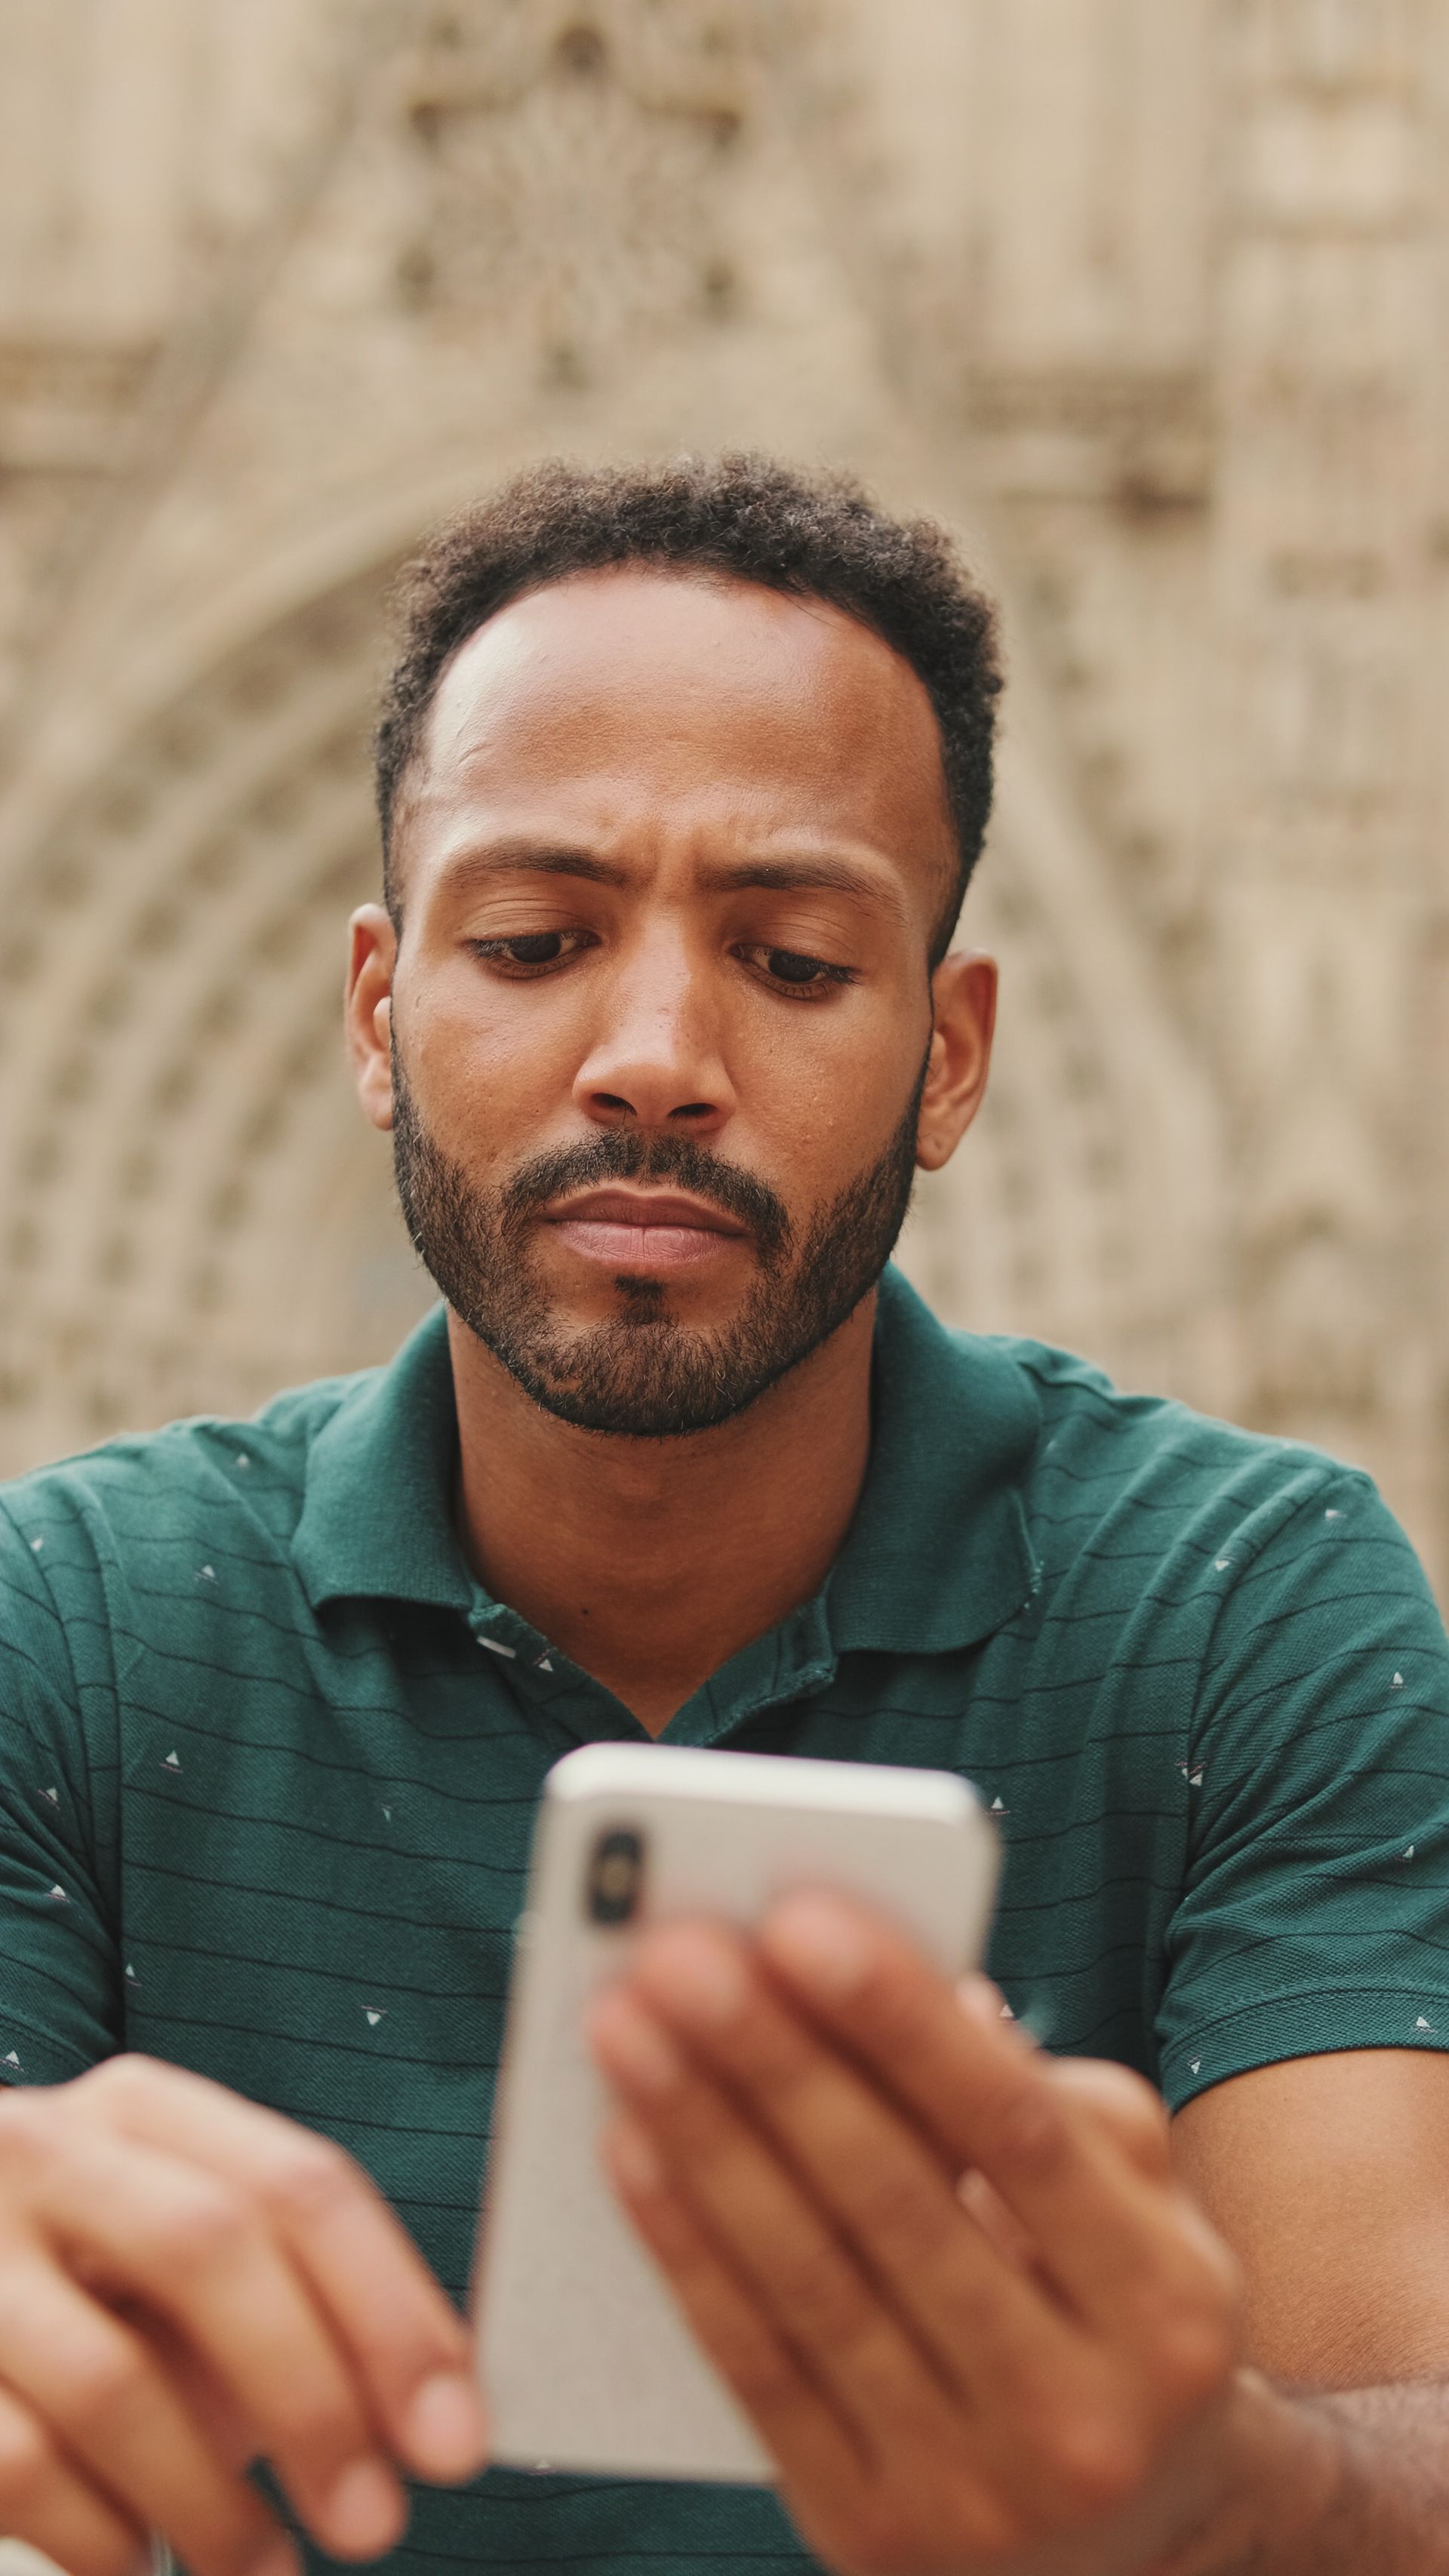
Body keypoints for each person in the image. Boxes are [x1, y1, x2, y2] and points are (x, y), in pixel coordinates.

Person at [1, 454, 1447, 2576]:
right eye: (532, 939)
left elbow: (1402, 2411)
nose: (655, 1056)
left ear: (951, 1059)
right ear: (378, 1017)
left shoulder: (1250, 1606)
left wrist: (1223, 2489)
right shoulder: (71, 1623)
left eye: (786, 959)